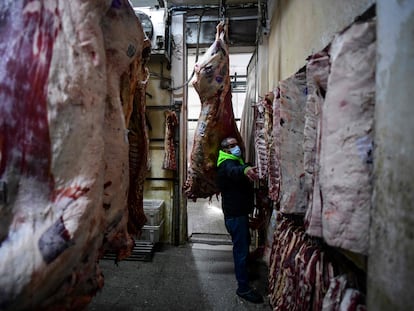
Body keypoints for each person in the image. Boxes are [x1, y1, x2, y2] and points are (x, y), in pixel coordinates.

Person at [216, 137, 264, 304]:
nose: (235, 147)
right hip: (235, 216)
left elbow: (239, 169)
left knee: (243, 246)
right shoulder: (226, 163)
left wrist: (246, 166)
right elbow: (234, 171)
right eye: (231, 146)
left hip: (238, 213)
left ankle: (244, 274)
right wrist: (244, 170)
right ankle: (243, 288)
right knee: (241, 250)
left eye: (236, 144)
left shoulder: (234, 160)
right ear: (225, 149)